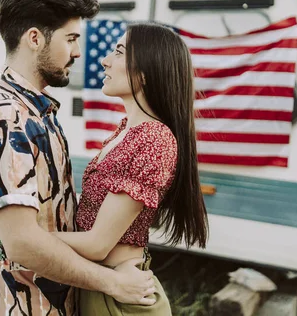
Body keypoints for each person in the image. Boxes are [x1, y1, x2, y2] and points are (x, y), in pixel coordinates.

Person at [0, 0, 157, 316]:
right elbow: (21, 242)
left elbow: (52, 219)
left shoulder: (37, 110)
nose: (79, 52)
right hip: (20, 304)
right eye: (70, 39)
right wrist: (111, 283)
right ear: (35, 38)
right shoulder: (6, 117)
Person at [53, 23, 209, 314]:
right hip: (102, 284)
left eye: (119, 52)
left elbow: (97, 243)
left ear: (147, 72)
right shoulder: (126, 130)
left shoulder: (154, 138)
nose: (105, 60)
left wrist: (20, 237)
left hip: (120, 297)